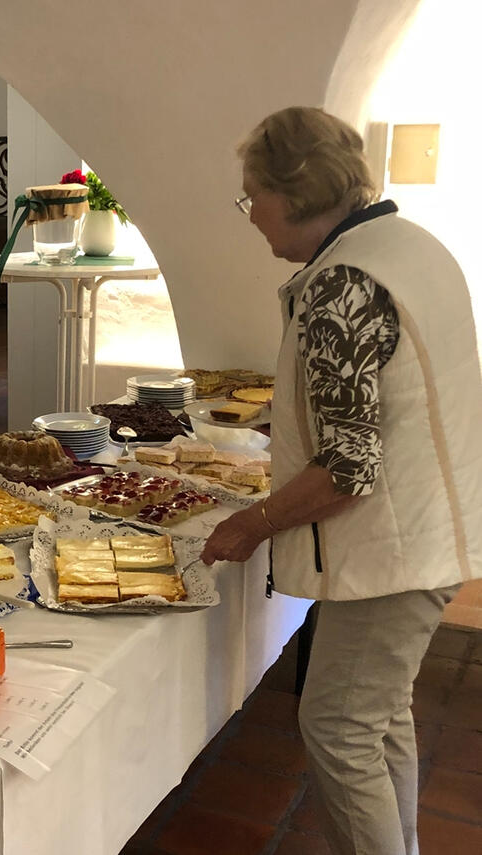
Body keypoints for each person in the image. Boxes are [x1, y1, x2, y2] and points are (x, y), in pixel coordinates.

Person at [201, 106, 482, 855]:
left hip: (393, 551)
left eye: (252, 193)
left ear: (294, 194)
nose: (251, 213)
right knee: (379, 716)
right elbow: (389, 402)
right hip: (432, 530)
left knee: (336, 725)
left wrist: (252, 522)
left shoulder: (342, 284)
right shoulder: (408, 244)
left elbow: (351, 467)